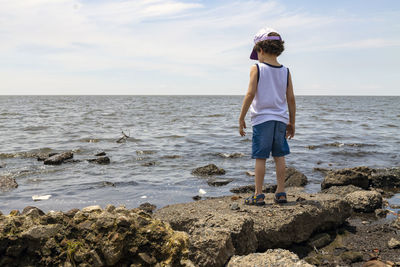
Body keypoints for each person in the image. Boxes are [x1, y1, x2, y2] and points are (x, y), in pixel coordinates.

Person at [238, 27, 296, 205]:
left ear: (260, 49)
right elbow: (291, 99)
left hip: (262, 120)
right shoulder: (286, 71)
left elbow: (250, 94)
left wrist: (241, 117)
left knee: (261, 157)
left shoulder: (257, 68)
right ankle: (281, 192)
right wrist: (292, 122)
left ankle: (258, 194)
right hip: (280, 120)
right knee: (279, 156)